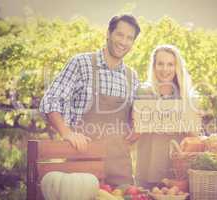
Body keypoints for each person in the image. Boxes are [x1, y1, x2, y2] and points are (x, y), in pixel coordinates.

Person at [39, 14, 141, 186]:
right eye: (120, 34)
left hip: (120, 170)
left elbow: (135, 118)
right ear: (108, 33)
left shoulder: (132, 77)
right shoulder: (81, 63)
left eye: (129, 38)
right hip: (82, 165)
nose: (123, 42)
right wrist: (67, 133)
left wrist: (138, 129)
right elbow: (50, 100)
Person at [135, 44, 195, 189]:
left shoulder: (185, 95)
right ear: (154, 66)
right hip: (148, 169)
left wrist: (192, 120)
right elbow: (137, 128)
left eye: (170, 64)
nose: (165, 69)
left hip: (177, 171)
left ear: (176, 67)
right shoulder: (144, 92)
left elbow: (193, 135)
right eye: (160, 64)